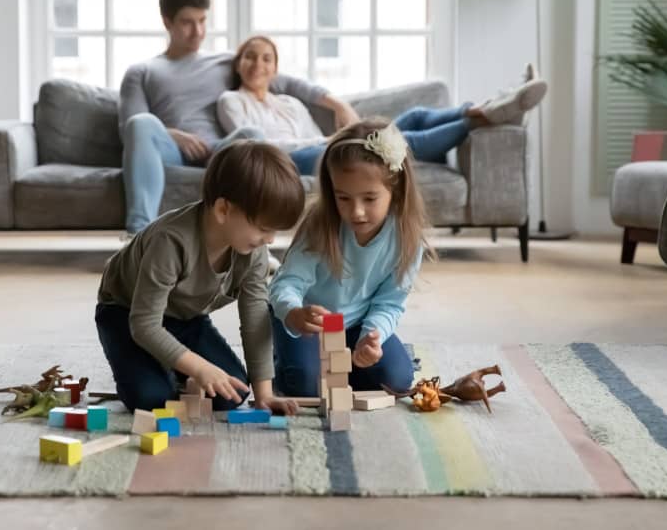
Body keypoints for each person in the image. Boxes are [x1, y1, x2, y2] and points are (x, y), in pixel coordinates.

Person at [119, 0, 359, 233]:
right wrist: (174, 135)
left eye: (202, 21)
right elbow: (129, 127)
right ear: (167, 22)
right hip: (174, 151)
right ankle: (138, 233)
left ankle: (254, 237)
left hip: (221, 151)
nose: (198, 31)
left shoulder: (224, 62)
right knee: (140, 123)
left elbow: (287, 82)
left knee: (252, 136)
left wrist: (338, 104)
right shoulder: (143, 71)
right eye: (187, 22)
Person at [95, 141, 305, 414]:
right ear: (223, 211)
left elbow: (254, 319)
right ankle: (151, 366)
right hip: (126, 313)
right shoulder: (170, 242)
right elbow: (144, 325)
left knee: (232, 392)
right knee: (152, 398)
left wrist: (264, 394)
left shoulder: (254, 251)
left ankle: (172, 365)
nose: (270, 239)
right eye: (264, 228)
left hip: (185, 318)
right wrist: (199, 367)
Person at [218, 35, 548, 175]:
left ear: (275, 69)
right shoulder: (231, 100)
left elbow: (312, 132)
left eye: (266, 58)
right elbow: (254, 143)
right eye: (249, 57)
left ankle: (489, 108)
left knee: (416, 116)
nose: (257, 64)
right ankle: (488, 113)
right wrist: (330, 142)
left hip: (319, 146)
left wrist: (328, 139)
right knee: (396, 142)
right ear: (238, 64)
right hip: (285, 161)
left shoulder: (289, 102)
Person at [268, 119, 429, 397]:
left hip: (356, 324)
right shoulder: (321, 225)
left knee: (398, 379)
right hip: (306, 321)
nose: (356, 212)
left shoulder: (407, 239)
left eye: (369, 199)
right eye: (344, 198)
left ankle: (340, 365)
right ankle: (289, 360)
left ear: (396, 190)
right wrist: (293, 314)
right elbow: (286, 283)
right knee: (305, 386)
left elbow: (389, 303)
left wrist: (372, 338)